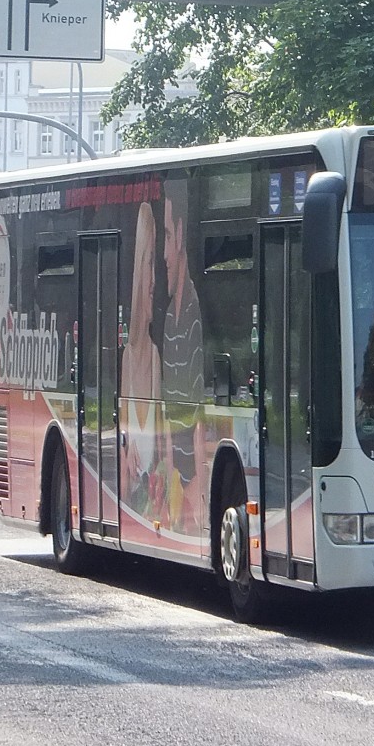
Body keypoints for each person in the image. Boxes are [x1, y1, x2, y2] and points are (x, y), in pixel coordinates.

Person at [160, 180, 206, 534]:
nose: (163, 254)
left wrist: (197, 492)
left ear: (179, 234)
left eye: (166, 237)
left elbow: (200, 412)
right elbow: (166, 411)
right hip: (175, 482)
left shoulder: (193, 316)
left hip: (190, 488)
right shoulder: (168, 320)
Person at [121, 202, 163, 512]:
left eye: (155, 265)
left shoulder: (155, 357)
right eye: (148, 263)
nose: (153, 280)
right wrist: (125, 461)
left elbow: (161, 450)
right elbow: (120, 484)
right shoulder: (127, 358)